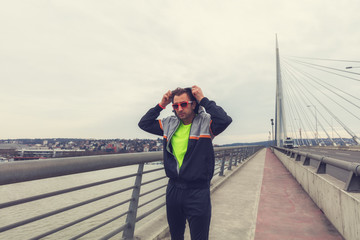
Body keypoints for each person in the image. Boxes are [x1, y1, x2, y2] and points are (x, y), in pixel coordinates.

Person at [138, 85, 232, 240]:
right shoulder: (169, 123)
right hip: (173, 189)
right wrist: (161, 104)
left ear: (193, 104)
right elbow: (144, 123)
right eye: (175, 106)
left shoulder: (206, 123)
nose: (179, 109)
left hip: (197, 191)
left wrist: (203, 99)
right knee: (176, 236)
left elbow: (225, 120)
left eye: (183, 104)